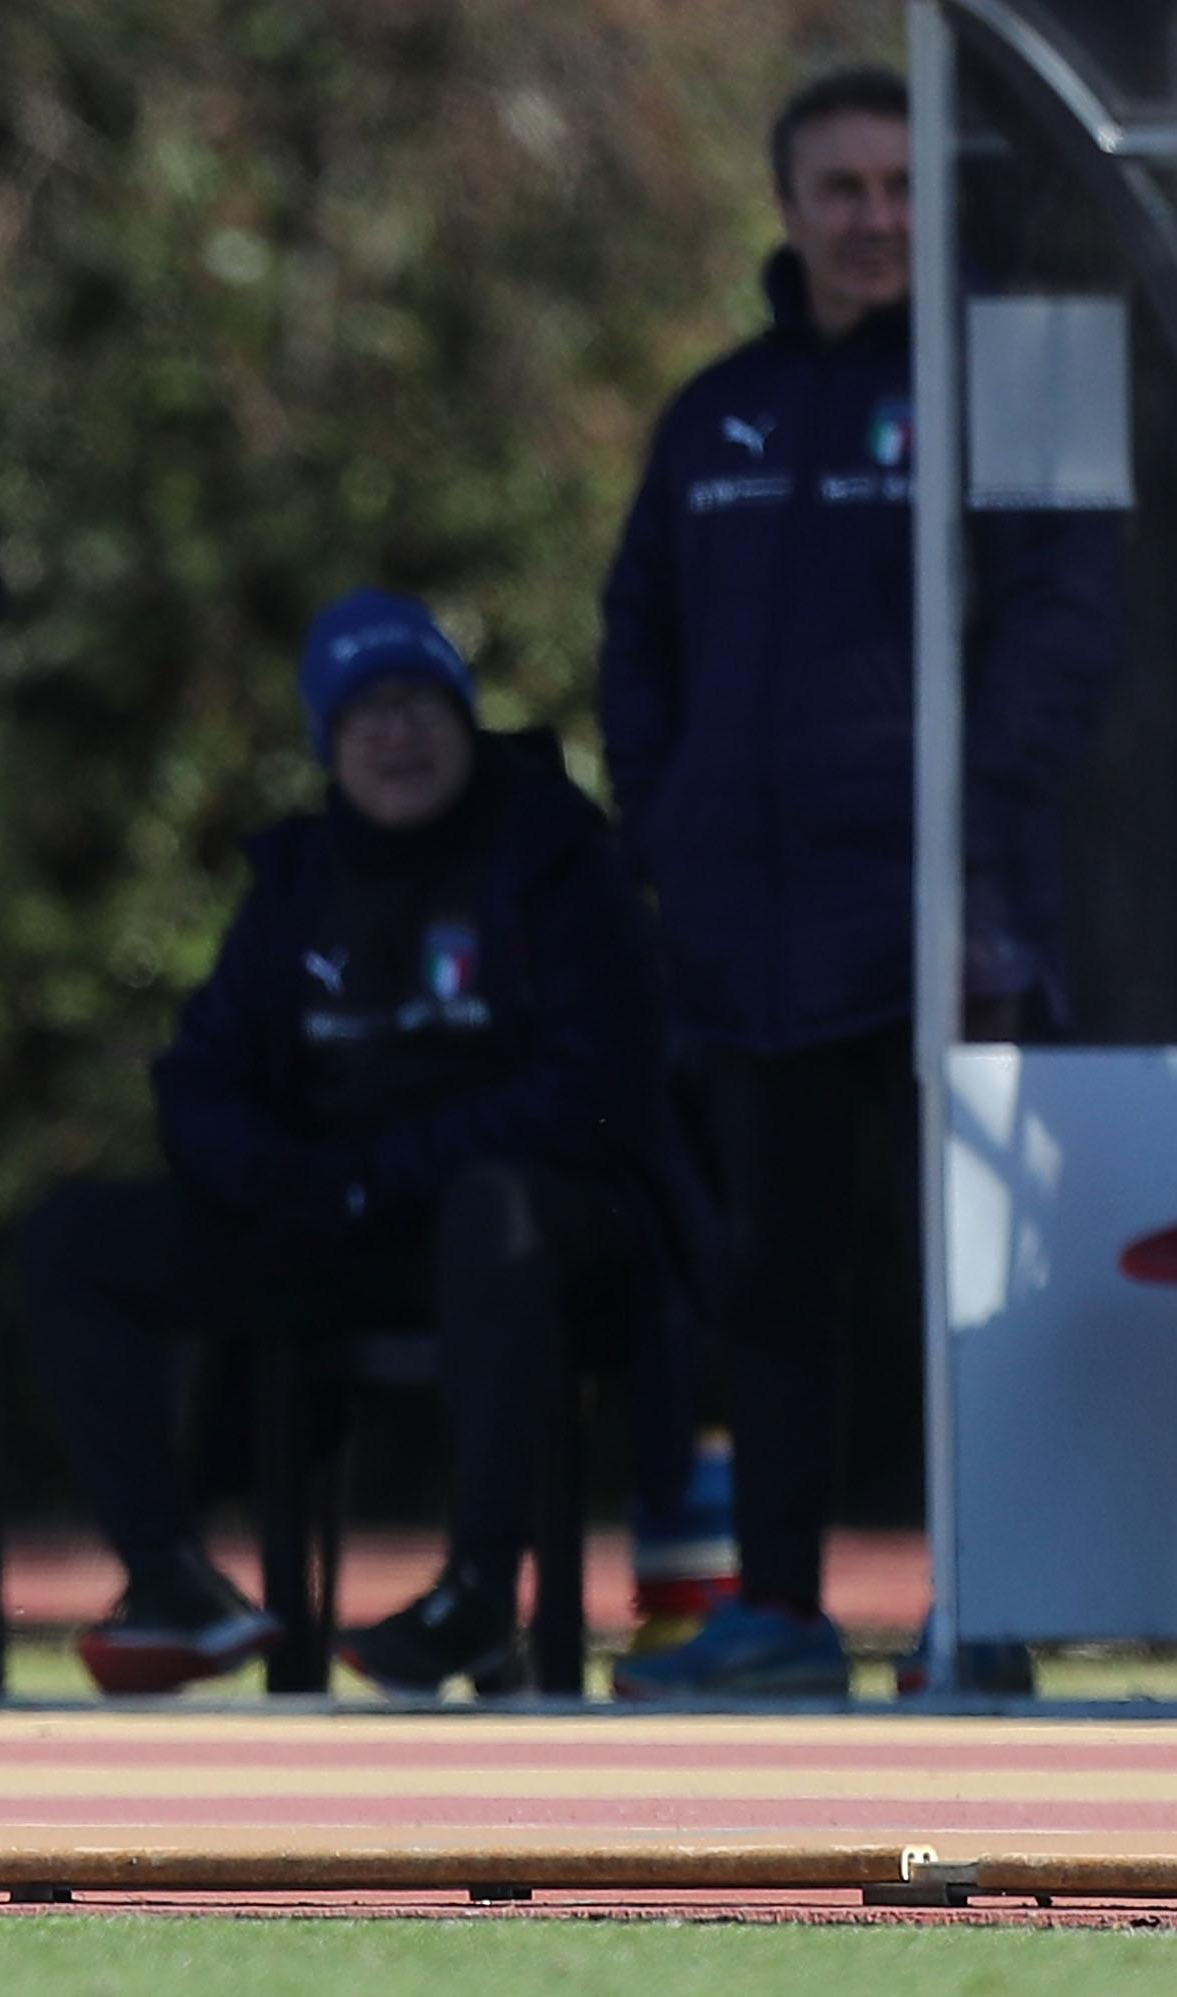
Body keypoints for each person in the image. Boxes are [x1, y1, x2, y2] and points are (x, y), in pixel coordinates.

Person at [601, 69, 1116, 1701]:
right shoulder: (718, 410)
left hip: (949, 932)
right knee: (774, 1289)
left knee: (974, 1290)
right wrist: (672, 826)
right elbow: (641, 645)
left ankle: (989, 1614)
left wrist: (979, 836)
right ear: (791, 206)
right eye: (841, 189)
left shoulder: (1011, 378)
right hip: (757, 937)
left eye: (899, 185)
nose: (874, 218)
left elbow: (1075, 620)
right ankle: (780, 1613)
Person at [23, 590, 698, 1697]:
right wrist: (282, 1176)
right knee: (71, 1239)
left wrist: (384, 1173)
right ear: (329, 741)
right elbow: (201, 1077)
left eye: (420, 704)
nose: (397, 734)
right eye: (366, 712)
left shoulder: (557, 854)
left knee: (497, 1209)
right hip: (332, 1218)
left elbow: (593, 1087)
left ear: (462, 718)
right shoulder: (296, 875)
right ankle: (170, 1581)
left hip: (532, 1236)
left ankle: (481, 1593)